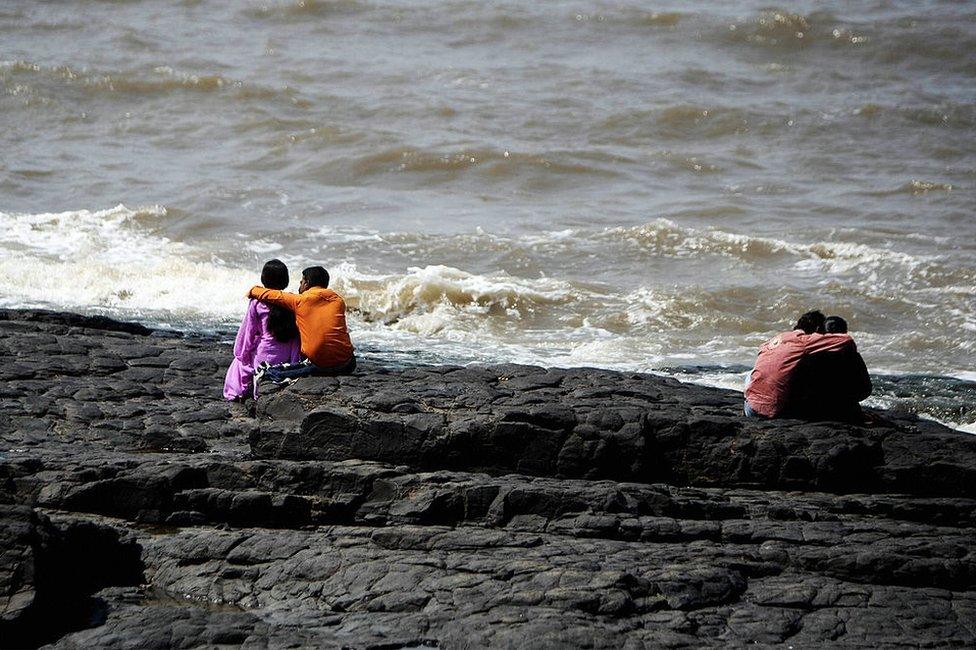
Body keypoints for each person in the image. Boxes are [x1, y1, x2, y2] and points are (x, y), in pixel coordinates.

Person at [247, 265, 355, 384]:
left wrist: (252, 290)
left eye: (301, 282)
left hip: (318, 363)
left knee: (307, 363)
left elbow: (268, 294)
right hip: (347, 364)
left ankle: (274, 373)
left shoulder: (300, 301)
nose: (299, 286)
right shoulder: (338, 301)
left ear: (307, 283)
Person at [744, 310, 861, 418]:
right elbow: (846, 340)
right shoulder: (804, 340)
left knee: (752, 373)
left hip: (750, 408)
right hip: (774, 412)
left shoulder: (774, 339)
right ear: (817, 328)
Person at [223, 259, 301, 400]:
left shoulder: (257, 302)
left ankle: (240, 392)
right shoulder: (292, 301)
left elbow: (248, 331)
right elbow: (296, 335)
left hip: (264, 356)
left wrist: (241, 353)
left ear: (264, 279)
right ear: (286, 280)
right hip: (287, 356)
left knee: (238, 363)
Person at [787, 315, 872, 422]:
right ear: (845, 333)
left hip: (811, 410)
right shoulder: (852, 356)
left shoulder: (807, 354)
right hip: (844, 410)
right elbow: (865, 389)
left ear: (821, 332)